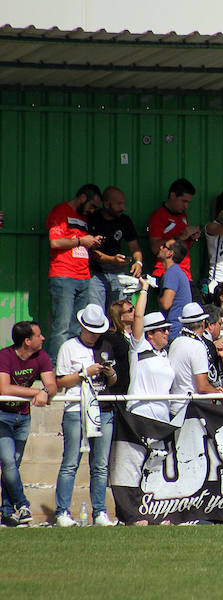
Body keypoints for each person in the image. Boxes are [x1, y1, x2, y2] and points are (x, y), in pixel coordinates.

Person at [54, 304, 118, 527]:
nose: (94, 335)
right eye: (91, 331)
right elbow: (60, 381)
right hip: (76, 409)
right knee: (71, 463)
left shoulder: (106, 345)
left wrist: (109, 373)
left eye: (97, 331)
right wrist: (84, 373)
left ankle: (100, 512)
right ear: (82, 327)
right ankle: (62, 511)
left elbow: (113, 382)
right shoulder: (68, 347)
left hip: (103, 409)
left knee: (100, 465)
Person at [0, 321, 56, 527]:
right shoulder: (4, 356)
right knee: (8, 462)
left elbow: (51, 384)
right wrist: (37, 392)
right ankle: (23, 505)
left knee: (13, 464)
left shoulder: (41, 356)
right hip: (3, 416)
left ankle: (6, 512)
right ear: (27, 341)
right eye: (38, 335)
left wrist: (47, 391)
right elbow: (4, 388)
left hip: (23, 417)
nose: (42, 338)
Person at [46, 183, 103, 364]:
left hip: (83, 276)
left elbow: (80, 242)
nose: (92, 210)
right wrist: (81, 241)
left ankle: (70, 366)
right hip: (64, 274)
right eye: (91, 205)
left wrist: (91, 242)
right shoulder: (60, 212)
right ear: (83, 198)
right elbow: (55, 242)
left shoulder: (84, 218)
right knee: (62, 326)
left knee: (76, 327)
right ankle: (55, 368)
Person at [126, 278, 175, 422]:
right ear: (150, 334)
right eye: (163, 329)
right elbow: (138, 316)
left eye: (168, 329)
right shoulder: (139, 347)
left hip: (163, 415)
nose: (167, 333)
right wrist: (144, 290)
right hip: (140, 412)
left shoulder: (165, 354)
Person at [87, 186, 143, 308]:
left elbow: (134, 247)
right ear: (107, 204)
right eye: (119, 204)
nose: (123, 208)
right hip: (95, 274)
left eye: (123, 203)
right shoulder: (93, 219)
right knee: (95, 312)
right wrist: (112, 259)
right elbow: (92, 251)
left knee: (119, 312)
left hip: (118, 274)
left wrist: (138, 262)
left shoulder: (125, 220)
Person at [168, 303, 223, 415]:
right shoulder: (197, 346)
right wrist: (219, 394)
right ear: (203, 322)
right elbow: (202, 386)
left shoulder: (175, 343)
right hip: (192, 410)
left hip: (176, 407)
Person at [147, 178, 200, 281]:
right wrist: (180, 237)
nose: (186, 206)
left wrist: (192, 238)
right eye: (183, 201)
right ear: (172, 196)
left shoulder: (183, 216)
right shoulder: (159, 216)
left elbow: (183, 248)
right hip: (165, 272)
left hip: (185, 273)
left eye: (188, 202)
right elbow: (154, 248)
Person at [158, 239, 192, 339]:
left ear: (170, 253)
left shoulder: (172, 273)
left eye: (164, 246)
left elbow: (166, 304)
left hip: (174, 330)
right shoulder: (176, 272)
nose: (160, 247)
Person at [101, 299, 135, 395]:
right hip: (118, 389)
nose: (135, 311)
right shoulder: (112, 338)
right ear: (120, 316)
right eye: (130, 310)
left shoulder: (136, 336)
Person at [203, 304, 223, 392]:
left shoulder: (214, 345)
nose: (222, 327)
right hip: (209, 398)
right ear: (210, 326)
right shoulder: (203, 345)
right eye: (220, 323)